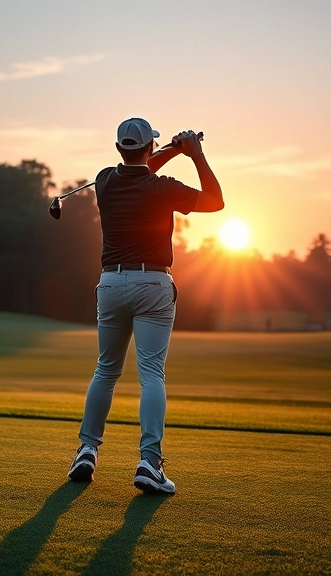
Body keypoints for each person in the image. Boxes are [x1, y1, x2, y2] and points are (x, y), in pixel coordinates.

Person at [67, 117, 223, 494]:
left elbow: (139, 168)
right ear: (148, 147)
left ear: (119, 147)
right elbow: (216, 201)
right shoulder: (163, 188)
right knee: (151, 374)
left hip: (110, 282)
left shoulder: (104, 180)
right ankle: (149, 462)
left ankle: (87, 449)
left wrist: (170, 149)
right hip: (153, 282)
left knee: (106, 370)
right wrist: (195, 154)